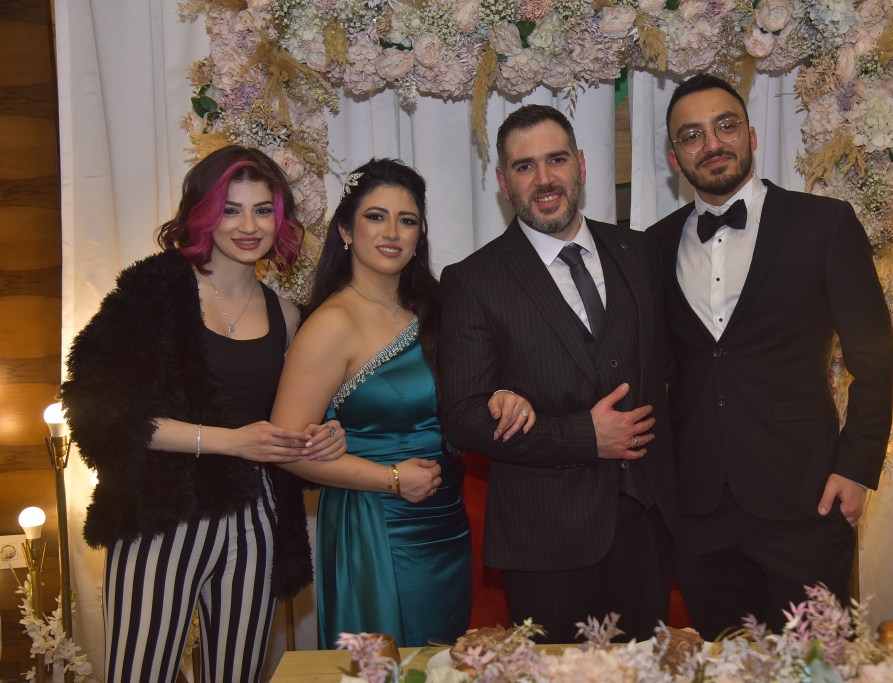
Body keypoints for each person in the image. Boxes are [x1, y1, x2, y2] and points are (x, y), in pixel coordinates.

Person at [61, 145, 346, 682]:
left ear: (280, 219)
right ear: (202, 214)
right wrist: (229, 441)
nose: (248, 226)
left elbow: (289, 421)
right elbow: (99, 410)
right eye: (230, 209)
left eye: (262, 210)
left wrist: (323, 434)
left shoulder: (287, 316)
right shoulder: (153, 294)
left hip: (256, 518)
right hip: (162, 513)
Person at [647, 74, 893, 637]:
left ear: (752, 135)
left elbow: (875, 358)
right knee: (726, 665)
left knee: (817, 664)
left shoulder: (824, 223)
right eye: (692, 134)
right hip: (700, 513)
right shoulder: (654, 246)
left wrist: (856, 468)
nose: (712, 143)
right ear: (674, 157)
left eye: (725, 125)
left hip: (807, 499)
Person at [437, 104, 679, 644]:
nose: (544, 179)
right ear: (504, 182)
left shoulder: (640, 252)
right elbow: (461, 417)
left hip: (648, 528)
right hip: (546, 538)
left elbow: (671, 368)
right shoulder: (473, 280)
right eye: (525, 166)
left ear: (582, 164)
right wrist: (583, 436)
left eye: (557, 159)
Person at [269, 158, 535, 648]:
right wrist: (391, 479)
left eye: (407, 220)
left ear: (420, 234)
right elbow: (287, 448)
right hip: (375, 525)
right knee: (387, 665)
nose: (392, 232)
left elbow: (467, 395)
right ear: (345, 229)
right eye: (376, 216)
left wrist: (501, 393)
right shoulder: (331, 324)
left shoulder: (437, 308)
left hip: (445, 522)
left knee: (441, 662)